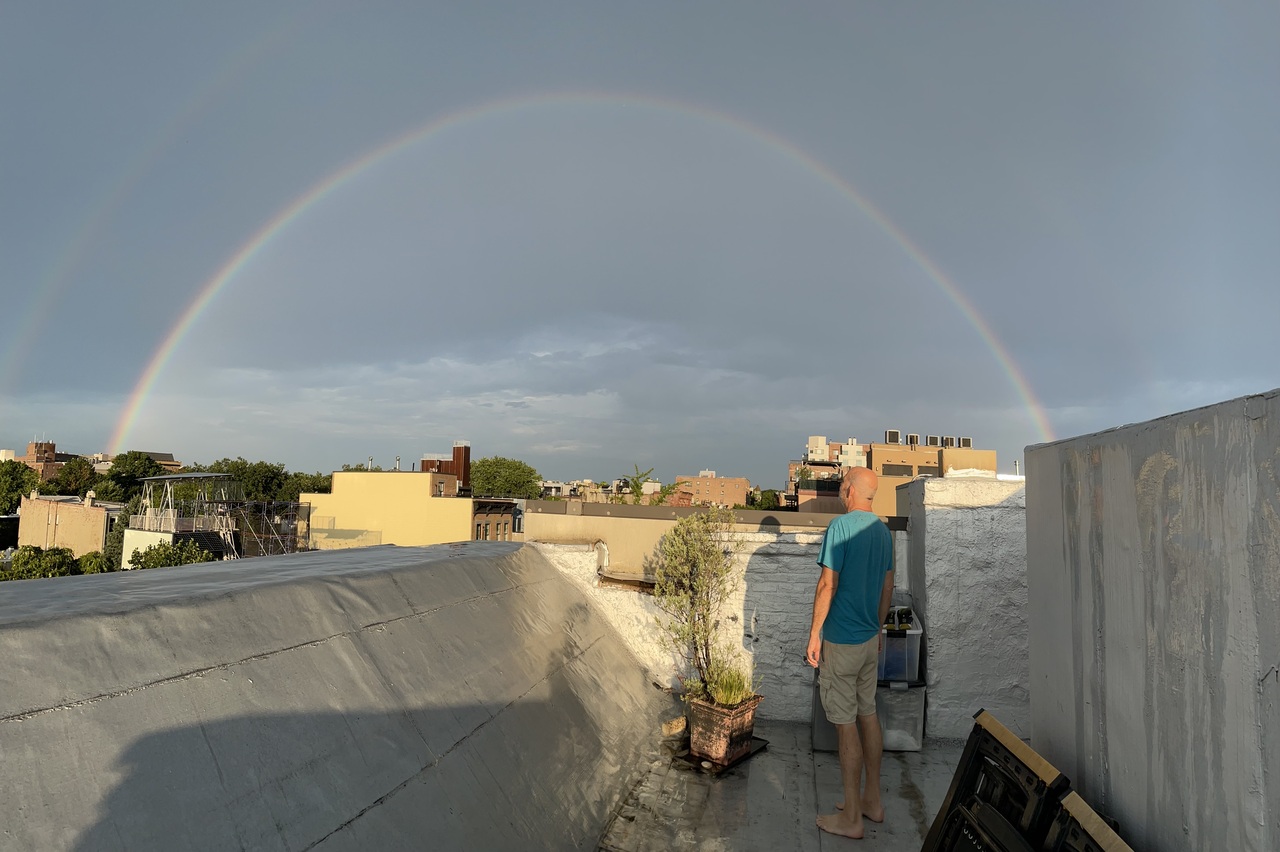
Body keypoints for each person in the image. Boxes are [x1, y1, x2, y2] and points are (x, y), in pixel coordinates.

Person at [806, 466, 894, 840]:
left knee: (845, 725)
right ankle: (871, 801)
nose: (841, 489)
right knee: (868, 714)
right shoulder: (884, 532)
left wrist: (814, 635)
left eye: (844, 484)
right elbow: (888, 585)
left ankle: (852, 818)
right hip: (868, 641)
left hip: (841, 642)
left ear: (852, 491)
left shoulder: (840, 529)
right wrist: (877, 626)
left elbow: (828, 584)